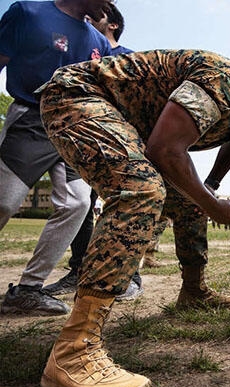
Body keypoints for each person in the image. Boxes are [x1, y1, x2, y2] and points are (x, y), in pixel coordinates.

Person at [36, 50, 230, 387]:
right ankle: (73, 352)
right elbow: (165, 150)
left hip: (121, 118)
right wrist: (213, 205)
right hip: (78, 97)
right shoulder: (224, 82)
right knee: (141, 191)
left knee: (189, 199)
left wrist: (209, 191)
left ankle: (193, 292)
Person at [0, 0, 113, 316]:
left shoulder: (99, 41)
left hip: (73, 129)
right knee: (4, 202)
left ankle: (28, 290)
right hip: (30, 120)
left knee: (77, 204)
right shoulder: (28, 13)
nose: (113, 2)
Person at [42, 1, 145, 302]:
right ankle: (78, 270)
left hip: (120, 142)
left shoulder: (126, 57)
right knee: (82, 202)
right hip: (84, 138)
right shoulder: (84, 51)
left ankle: (129, 275)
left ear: (112, 24)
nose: (87, 16)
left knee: (125, 201)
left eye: (96, 14)